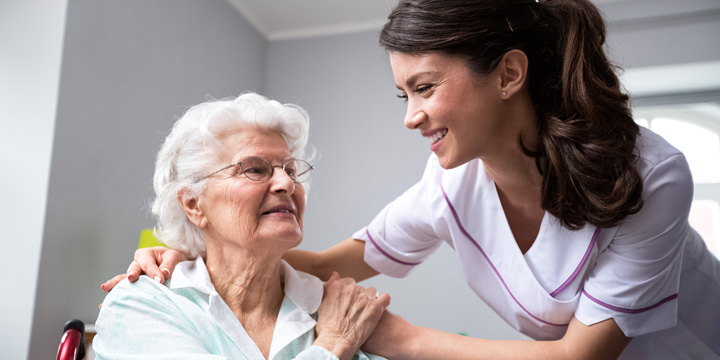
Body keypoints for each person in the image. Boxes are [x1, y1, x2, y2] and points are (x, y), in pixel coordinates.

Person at [103, 0, 720, 359]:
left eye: (424, 88)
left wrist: (383, 335)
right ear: (193, 201)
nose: (410, 116)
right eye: (403, 93)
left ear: (508, 74)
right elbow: (323, 262)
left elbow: (577, 357)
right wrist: (182, 250)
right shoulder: (449, 186)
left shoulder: (651, 176)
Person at [94, 93, 390, 360]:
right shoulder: (142, 303)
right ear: (194, 205)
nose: (287, 182)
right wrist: (333, 346)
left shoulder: (342, 308)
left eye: (290, 170)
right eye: (254, 169)